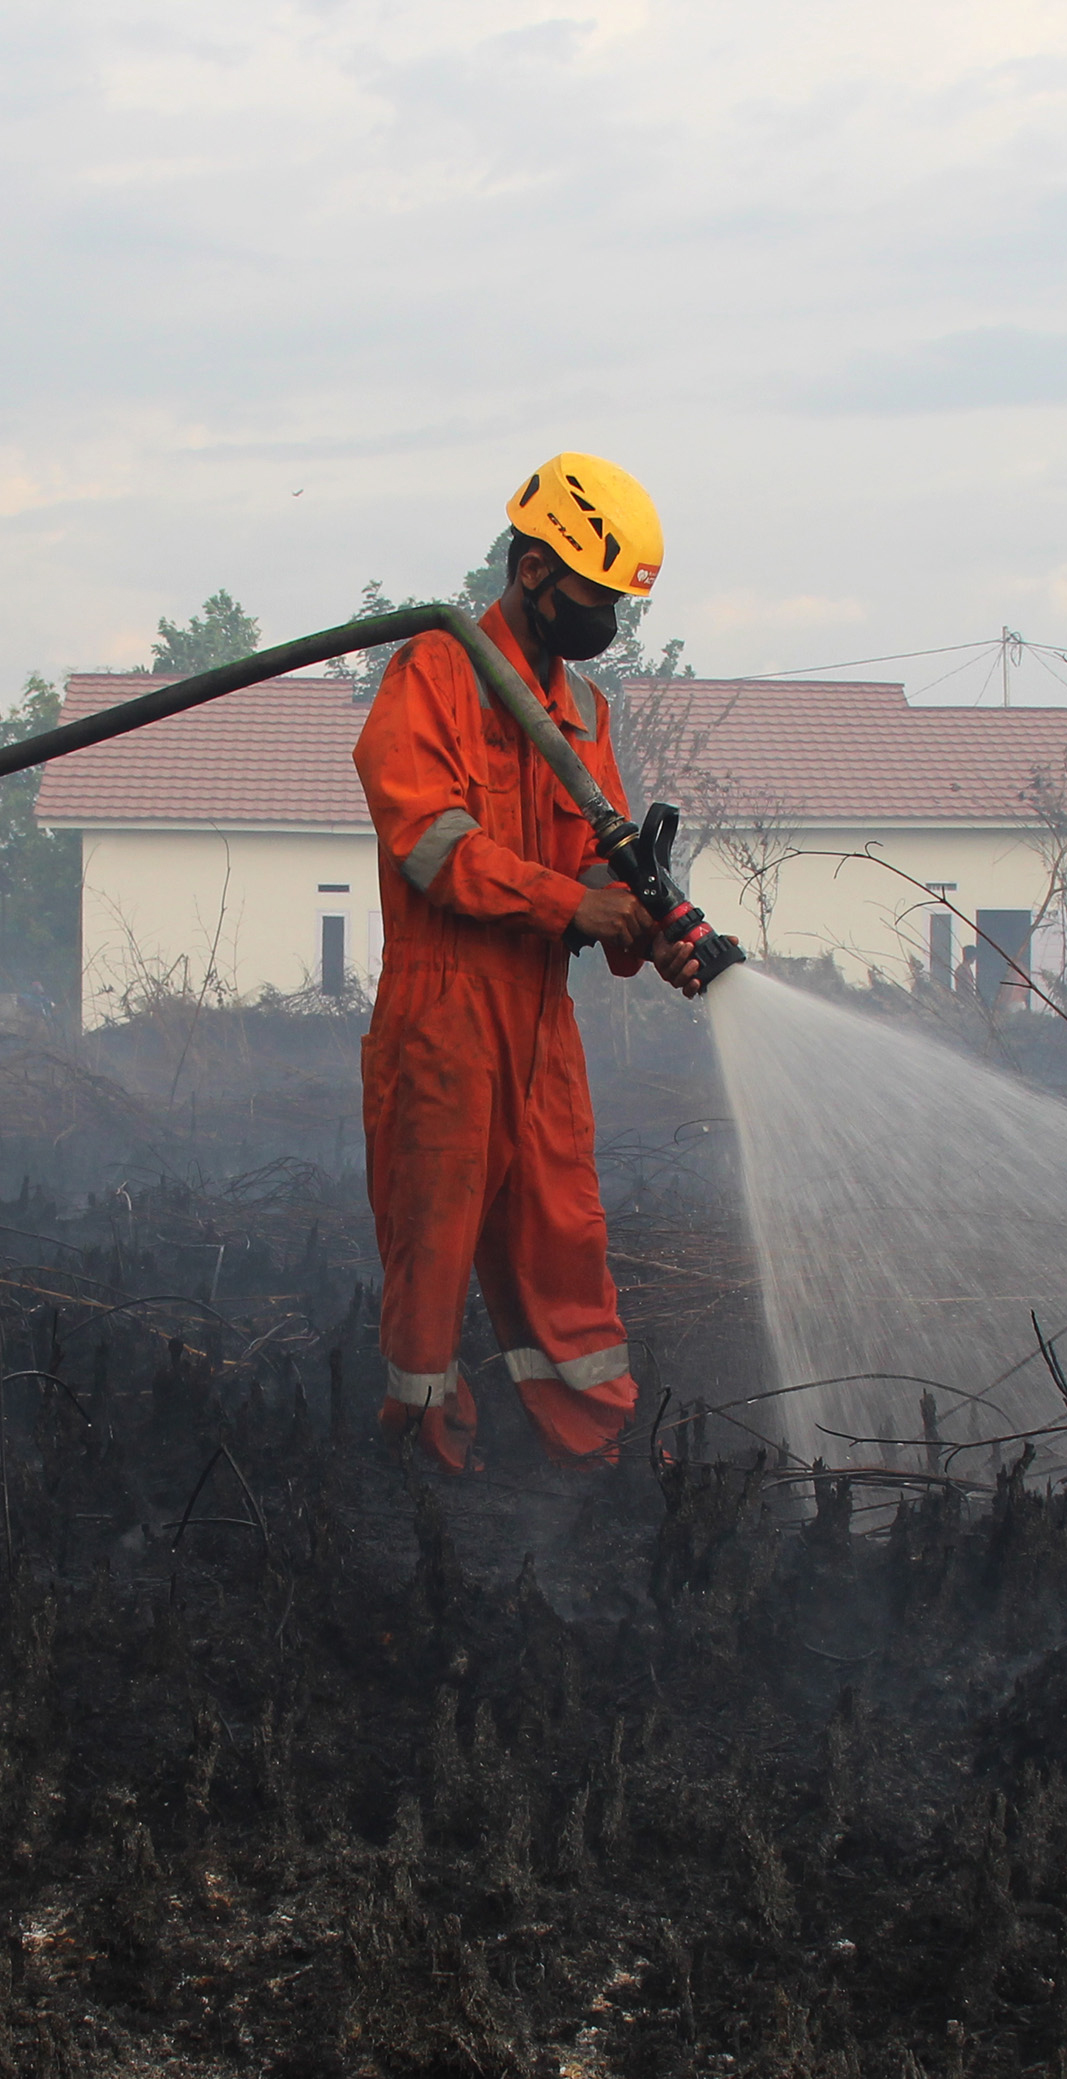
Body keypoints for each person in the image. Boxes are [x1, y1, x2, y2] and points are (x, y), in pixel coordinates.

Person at [349, 453, 706, 1471]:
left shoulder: (582, 712)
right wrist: (573, 903)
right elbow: (428, 842)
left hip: (539, 1016)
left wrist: (656, 929)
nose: (604, 621)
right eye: (595, 596)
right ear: (534, 566)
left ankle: (585, 1445)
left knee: (560, 1225)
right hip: (443, 1006)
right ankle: (418, 1453)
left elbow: (601, 854)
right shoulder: (435, 670)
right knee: (434, 1235)